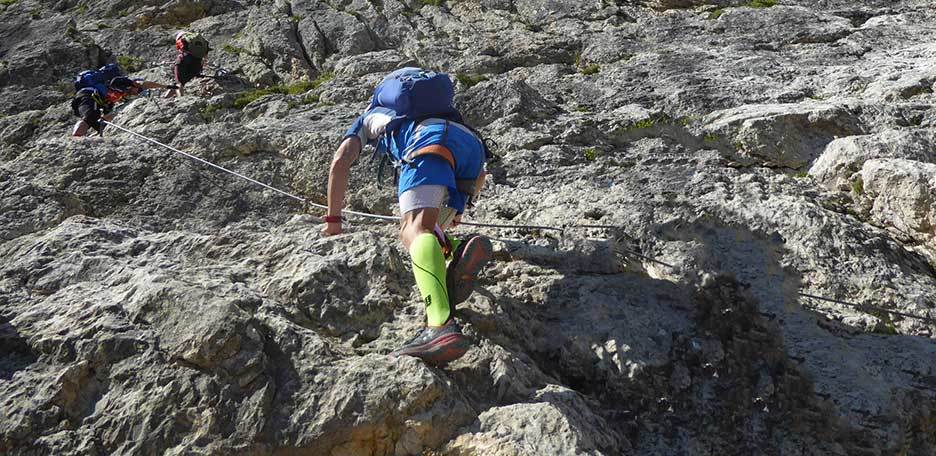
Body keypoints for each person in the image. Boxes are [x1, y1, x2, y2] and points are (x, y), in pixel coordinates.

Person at [323, 68, 494, 366]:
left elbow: (341, 161)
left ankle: (439, 326)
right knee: (431, 229)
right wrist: (459, 208)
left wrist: (333, 222)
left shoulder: (370, 116)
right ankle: (457, 249)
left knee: (413, 230)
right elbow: (479, 175)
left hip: (427, 142)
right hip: (471, 147)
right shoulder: (444, 111)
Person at [71, 76, 173, 137]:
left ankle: (91, 136)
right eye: (137, 90)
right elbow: (146, 84)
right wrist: (165, 86)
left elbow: (108, 113)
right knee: (90, 116)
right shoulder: (122, 82)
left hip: (97, 100)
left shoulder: (120, 96)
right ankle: (75, 138)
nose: (136, 93)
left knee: (101, 124)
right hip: (89, 95)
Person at [165, 31, 209, 98]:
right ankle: (165, 99)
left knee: (178, 84)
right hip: (197, 64)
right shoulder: (200, 41)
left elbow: (181, 52)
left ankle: (181, 101)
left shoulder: (182, 40)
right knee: (180, 83)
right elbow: (205, 56)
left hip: (184, 60)